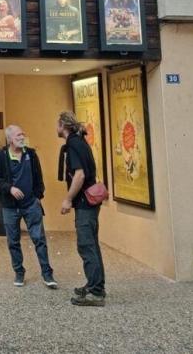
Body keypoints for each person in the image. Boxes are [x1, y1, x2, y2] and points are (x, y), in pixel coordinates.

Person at [0, 125, 57, 289]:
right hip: (10, 207)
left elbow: (38, 176)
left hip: (30, 204)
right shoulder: (1, 156)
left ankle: (47, 273)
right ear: (10, 139)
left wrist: (38, 196)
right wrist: (10, 189)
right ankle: (19, 272)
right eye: (18, 135)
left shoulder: (31, 154)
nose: (22, 137)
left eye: (23, 134)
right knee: (13, 241)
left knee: (39, 239)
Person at [57, 111, 106, 306]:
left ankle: (96, 292)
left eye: (57, 124)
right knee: (92, 245)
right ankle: (95, 284)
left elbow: (79, 175)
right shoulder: (81, 141)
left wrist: (68, 199)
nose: (56, 128)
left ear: (62, 125)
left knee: (86, 246)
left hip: (85, 203)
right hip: (89, 203)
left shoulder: (74, 145)